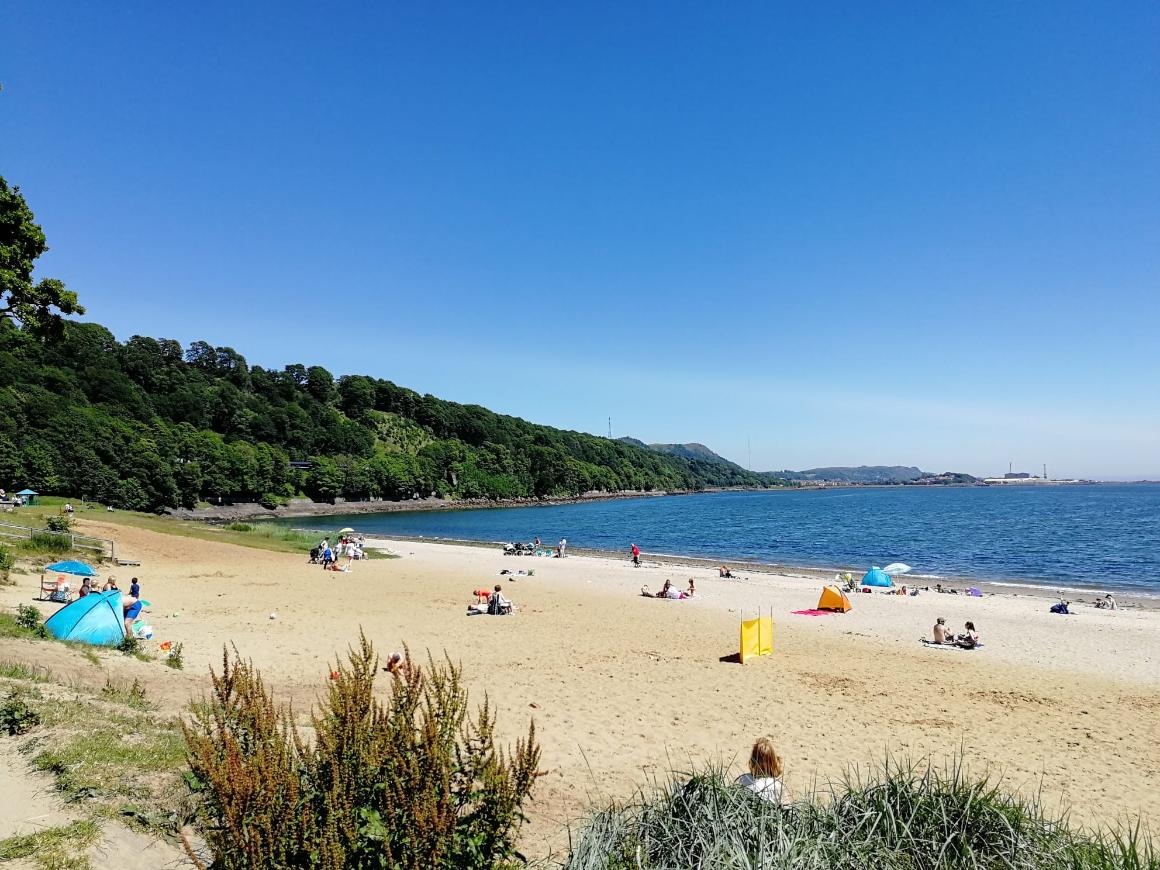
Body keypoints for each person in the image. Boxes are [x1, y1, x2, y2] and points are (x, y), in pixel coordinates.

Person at [735, 736, 784, 804]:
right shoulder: (776, 785)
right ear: (773, 762)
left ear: (752, 760)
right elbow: (787, 807)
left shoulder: (742, 779)